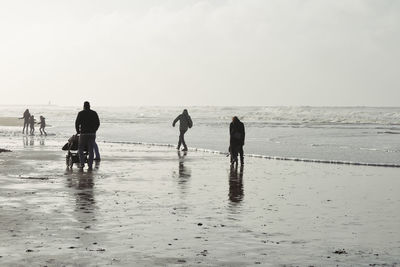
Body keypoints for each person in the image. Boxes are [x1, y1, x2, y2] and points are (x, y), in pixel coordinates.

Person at [75, 101, 100, 170]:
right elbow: (98, 123)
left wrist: (78, 131)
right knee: (91, 149)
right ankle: (90, 165)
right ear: (89, 106)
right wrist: (94, 130)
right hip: (92, 134)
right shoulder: (94, 113)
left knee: (80, 148)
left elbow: (77, 123)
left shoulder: (81, 113)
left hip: (83, 134)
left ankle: (82, 164)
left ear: (84, 106)